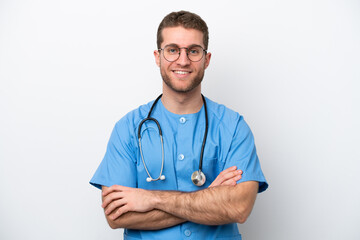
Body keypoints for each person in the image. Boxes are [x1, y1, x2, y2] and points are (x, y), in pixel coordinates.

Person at [90, 10, 268, 240]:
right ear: (158, 56)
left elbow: (238, 208)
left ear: (207, 58)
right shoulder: (128, 129)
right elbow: (116, 216)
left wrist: (152, 199)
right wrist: (209, 196)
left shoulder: (233, 127)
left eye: (193, 51)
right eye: (172, 50)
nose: (183, 60)